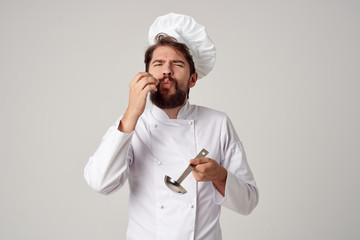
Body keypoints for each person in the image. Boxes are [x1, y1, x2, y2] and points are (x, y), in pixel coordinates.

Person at [84, 13, 259, 240]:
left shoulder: (218, 123)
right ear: (147, 75)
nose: (167, 70)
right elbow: (100, 183)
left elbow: (248, 203)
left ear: (193, 79)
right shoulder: (131, 125)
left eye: (177, 64)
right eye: (158, 64)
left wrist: (220, 176)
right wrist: (132, 113)